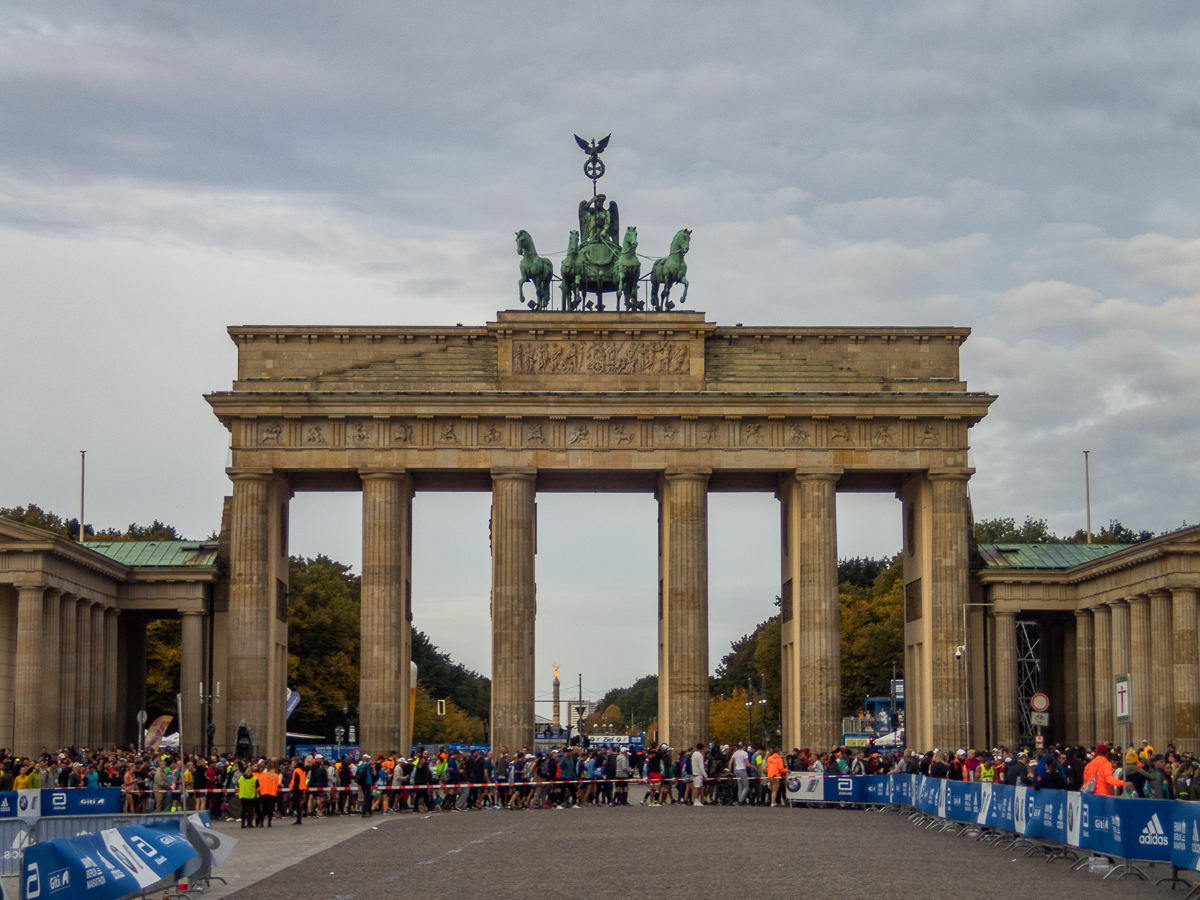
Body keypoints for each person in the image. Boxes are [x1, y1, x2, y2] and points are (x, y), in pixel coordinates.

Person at [237, 764, 260, 829]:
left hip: (242, 796)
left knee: (243, 810)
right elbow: (257, 786)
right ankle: (249, 824)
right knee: (250, 810)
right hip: (251, 796)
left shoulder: (241, 778)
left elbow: (238, 785)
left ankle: (243, 824)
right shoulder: (254, 778)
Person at [288, 759, 307, 825]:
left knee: (297, 804)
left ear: (296, 762)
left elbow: (296, 781)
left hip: (297, 789)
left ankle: (298, 819)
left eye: (293, 762)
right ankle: (299, 819)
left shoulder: (297, 770)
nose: (292, 764)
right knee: (298, 804)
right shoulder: (302, 770)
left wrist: (293, 789)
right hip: (301, 788)